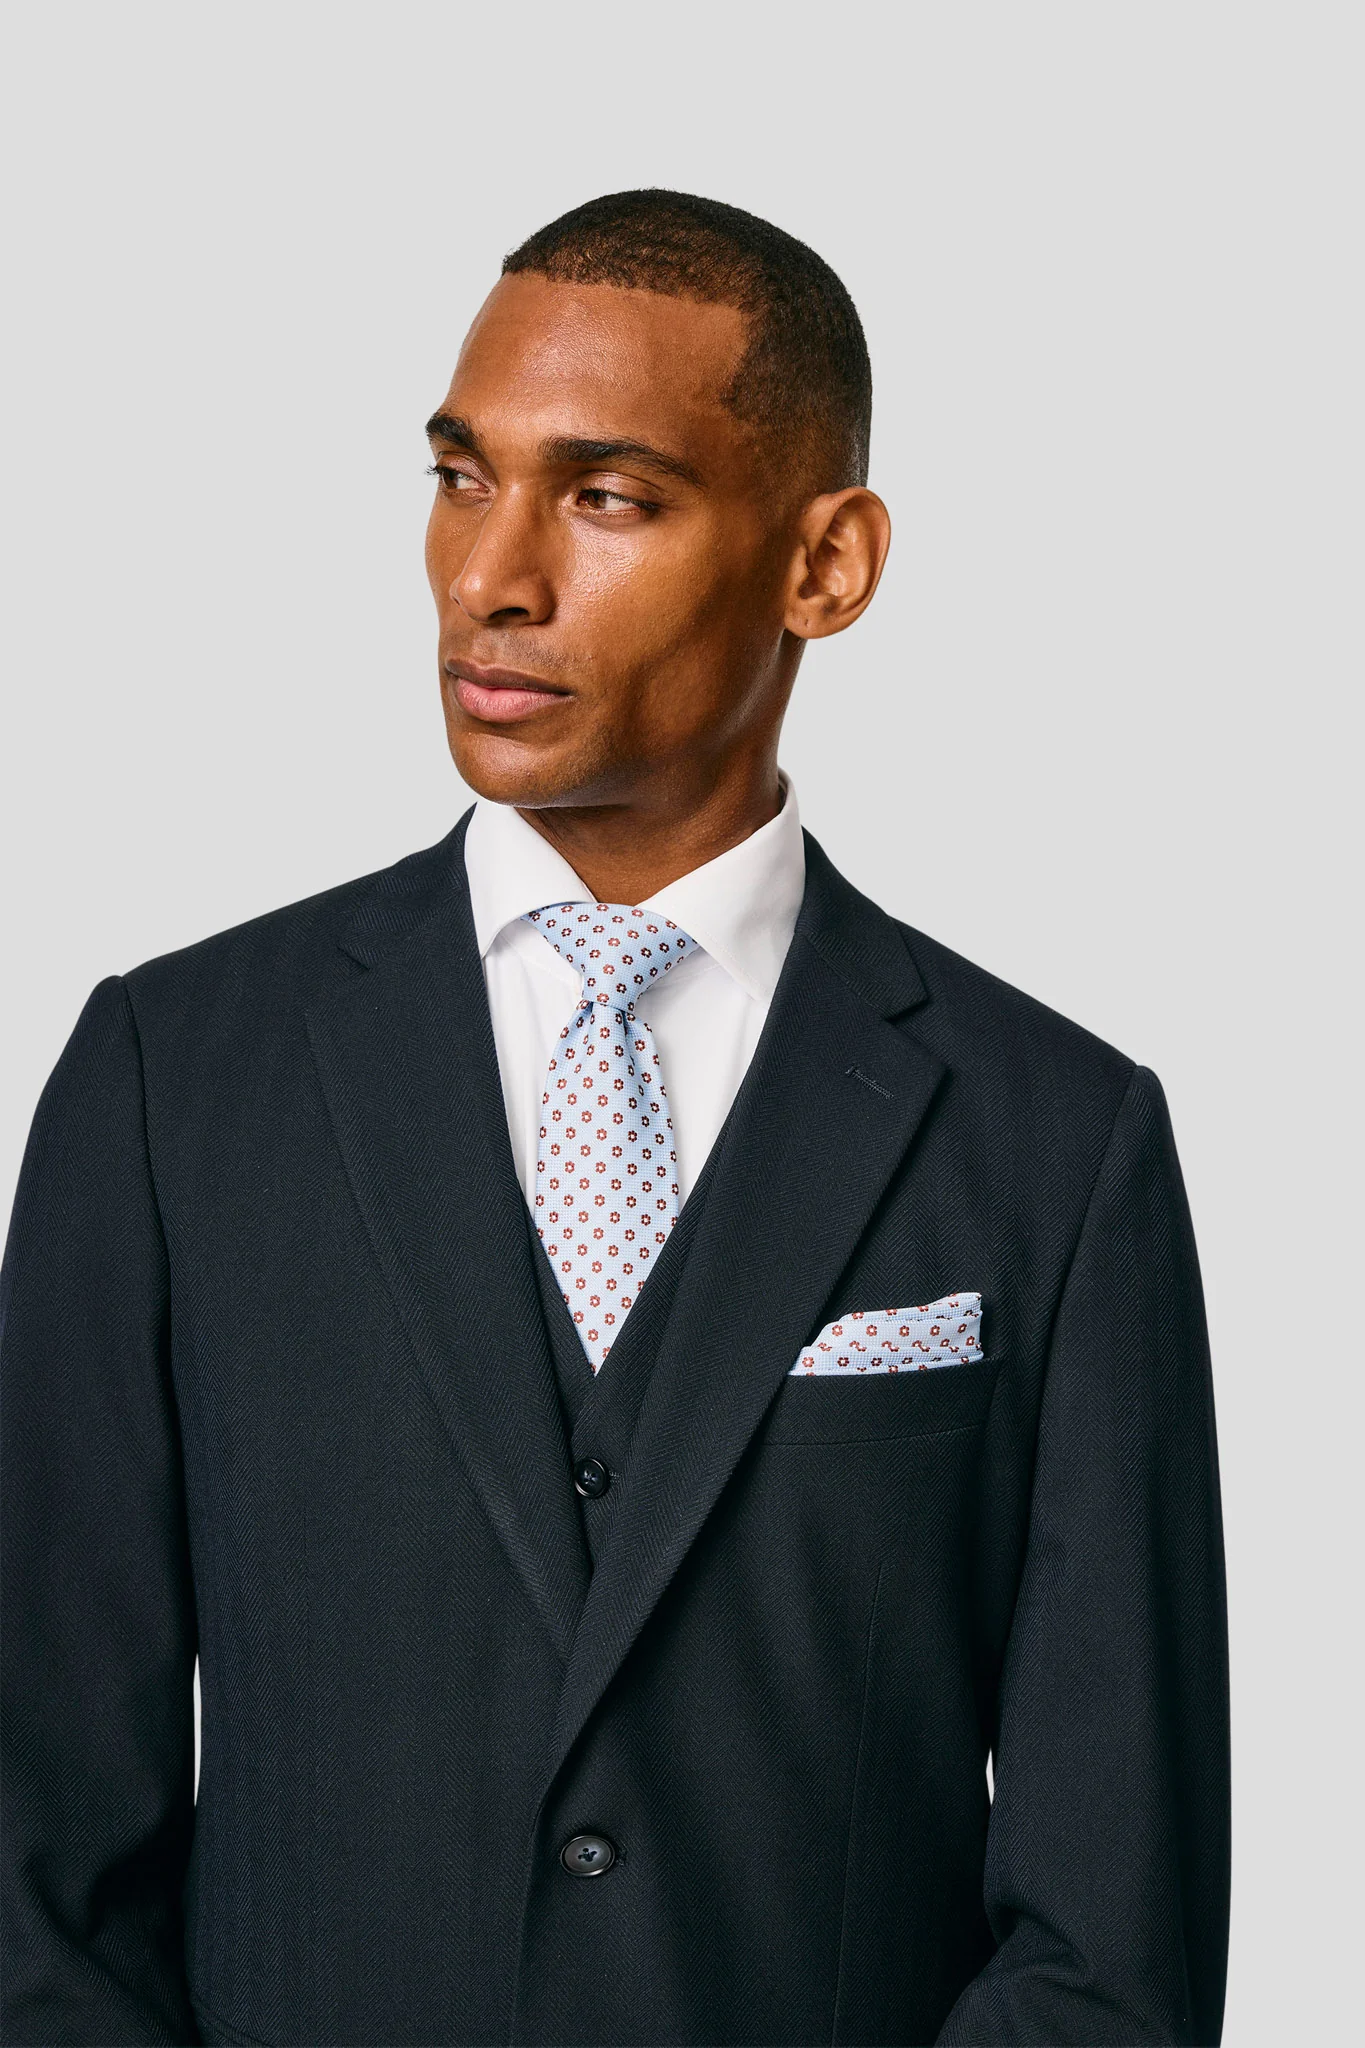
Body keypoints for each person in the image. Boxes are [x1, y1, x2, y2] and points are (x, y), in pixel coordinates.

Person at [0, 189, 1230, 2048]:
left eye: (608, 498)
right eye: (459, 477)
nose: (489, 577)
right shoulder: (171, 1081)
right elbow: (38, 1883)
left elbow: (1111, 1942)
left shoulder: (1058, 1143)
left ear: (827, 566)